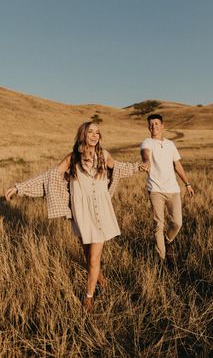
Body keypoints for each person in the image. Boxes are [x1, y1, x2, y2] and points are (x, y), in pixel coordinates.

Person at [5, 121, 147, 312]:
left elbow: (120, 168)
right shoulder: (73, 158)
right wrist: (19, 187)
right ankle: (100, 278)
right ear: (83, 135)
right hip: (81, 215)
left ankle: (88, 299)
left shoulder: (104, 155)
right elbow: (49, 177)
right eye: (91, 132)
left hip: (101, 213)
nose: (95, 135)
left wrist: (139, 167)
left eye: (97, 132)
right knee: (87, 255)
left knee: (94, 259)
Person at [140, 114, 194, 263]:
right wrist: (146, 162)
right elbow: (145, 155)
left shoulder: (170, 144)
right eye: (151, 124)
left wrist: (187, 184)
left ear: (162, 126)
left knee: (177, 223)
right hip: (155, 190)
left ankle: (168, 240)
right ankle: (163, 259)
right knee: (158, 224)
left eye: (157, 124)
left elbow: (178, 165)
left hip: (173, 190)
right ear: (148, 127)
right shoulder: (147, 142)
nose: (154, 127)